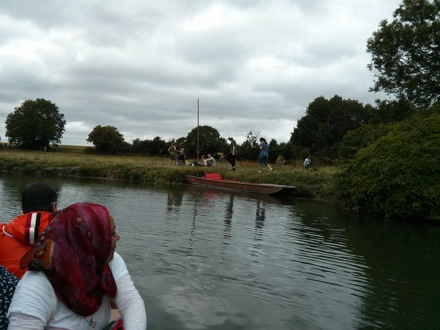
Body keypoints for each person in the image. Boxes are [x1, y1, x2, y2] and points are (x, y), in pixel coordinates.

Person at [7, 202, 147, 330]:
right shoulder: (36, 287)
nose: (118, 237)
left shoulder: (108, 260)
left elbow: (130, 302)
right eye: (111, 233)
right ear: (89, 241)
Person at [0, 182, 57, 279]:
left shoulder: (2, 233)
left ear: (22, 207)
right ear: (54, 207)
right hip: (49, 293)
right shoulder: (69, 237)